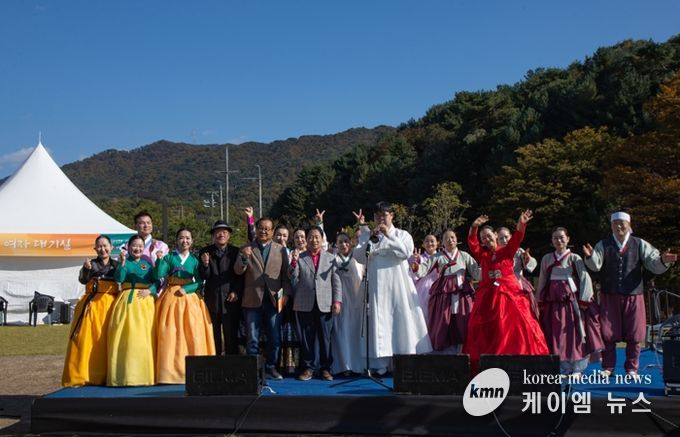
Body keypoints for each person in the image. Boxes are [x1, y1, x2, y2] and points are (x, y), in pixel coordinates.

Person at [583, 211, 677, 376]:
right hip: (609, 294)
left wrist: (663, 260)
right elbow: (596, 265)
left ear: (629, 225)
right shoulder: (603, 244)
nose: (619, 226)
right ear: (611, 226)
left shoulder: (639, 244)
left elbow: (653, 262)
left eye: (622, 223)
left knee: (635, 333)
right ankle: (608, 367)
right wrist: (590, 257)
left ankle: (632, 368)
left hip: (634, 294)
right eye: (615, 223)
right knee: (607, 333)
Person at [463, 211, 549, 373]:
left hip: (509, 293)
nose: (486, 239)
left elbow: (517, 238)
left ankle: (518, 361)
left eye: (488, 235)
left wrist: (521, 224)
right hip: (487, 297)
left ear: (495, 235)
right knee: (485, 329)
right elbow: (472, 242)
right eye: (483, 238)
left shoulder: (507, 251)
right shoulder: (483, 254)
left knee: (515, 325)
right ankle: (489, 364)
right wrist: (474, 227)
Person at [353, 202, 432, 374]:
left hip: (398, 286)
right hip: (376, 285)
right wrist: (368, 239)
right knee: (379, 321)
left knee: (400, 320)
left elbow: (405, 253)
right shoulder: (368, 235)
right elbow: (358, 256)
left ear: (392, 216)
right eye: (377, 216)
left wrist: (388, 235)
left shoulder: (402, 234)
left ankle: (403, 360)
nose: (381, 218)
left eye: (384, 215)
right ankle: (380, 364)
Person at [537, 227, 604, 375]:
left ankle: (578, 367)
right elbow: (542, 279)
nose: (558, 240)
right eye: (555, 238)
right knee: (557, 334)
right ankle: (565, 366)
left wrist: (584, 299)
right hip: (553, 303)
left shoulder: (575, 258)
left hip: (571, 304)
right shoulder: (547, 259)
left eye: (561, 237)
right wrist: (540, 299)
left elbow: (585, 278)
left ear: (568, 239)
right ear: (551, 241)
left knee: (574, 334)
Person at [155, 228, 215, 384]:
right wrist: (159, 261)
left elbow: (199, 282)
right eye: (181, 238)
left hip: (190, 298)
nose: (185, 241)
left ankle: (194, 370)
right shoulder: (169, 257)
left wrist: (187, 289)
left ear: (192, 241)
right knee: (169, 332)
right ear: (176, 240)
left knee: (193, 331)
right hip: (171, 296)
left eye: (188, 238)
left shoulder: (195, 260)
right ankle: (169, 372)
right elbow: (159, 274)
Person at [235, 217, 292, 380]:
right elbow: (238, 270)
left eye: (267, 228)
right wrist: (244, 258)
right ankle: (253, 370)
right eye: (260, 228)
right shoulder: (246, 248)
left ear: (272, 231)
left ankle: (271, 367)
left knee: (274, 337)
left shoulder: (281, 250)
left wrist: (286, 294)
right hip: (252, 300)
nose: (264, 231)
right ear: (256, 229)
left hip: (274, 300)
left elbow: (285, 276)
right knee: (252, 338)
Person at [62, 235, 119, 387]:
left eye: (105, 245)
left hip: (111, 305)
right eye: (99, 246)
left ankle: (108, 375)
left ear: (111, 247)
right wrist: (86, 270)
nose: (102, 249)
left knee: (107, 340)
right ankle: (83, 374)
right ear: (95, 249)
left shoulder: (117, 264)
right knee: (85, 339)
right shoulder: (91, 264)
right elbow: (82, 280)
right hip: (92, 305)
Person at [413, 230, 480, 353]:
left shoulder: (464, 255)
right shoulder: (437, 257)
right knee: (444, 319)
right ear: (442, 242)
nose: (450, 240)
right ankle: (444, 349)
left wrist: (488, 269)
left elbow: (476, 272)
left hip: (462, 292)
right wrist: (416, 266)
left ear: (457, 240)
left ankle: (464, 348)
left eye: (452, 237)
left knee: (463, 318)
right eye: (447, 238)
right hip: (444, 294)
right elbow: (423, 269)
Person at [288, 226, 341, 381]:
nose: (314, 240)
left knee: (325, 338)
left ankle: (326, 369)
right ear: (306, 239)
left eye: (317, 237)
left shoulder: (330, 258)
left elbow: (336, 281)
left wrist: (337, 301)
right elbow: (292, 277)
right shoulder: (300, 257)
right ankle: (308, 368)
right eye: (310, 237)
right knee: (307, 338)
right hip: (304, 303)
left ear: (322, 239)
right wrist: (293, 263)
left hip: (325, 303)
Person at [107, 234, 159, 386]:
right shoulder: (124, 262)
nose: (137, 249)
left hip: (145, 304)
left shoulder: (147, 264)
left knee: (145, 338)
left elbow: (157, 281)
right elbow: (119, 278)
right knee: (126, 337)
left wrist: (150, 290)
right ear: (128, 247)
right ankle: (124, 375)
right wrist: (122, 264)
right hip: (127, 302)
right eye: (134, 246)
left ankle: (144, 375)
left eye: (140, 246)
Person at [199, 220, 243, 355]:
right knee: (213, 333)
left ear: (229, 235)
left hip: (230, 299)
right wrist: (205, 264)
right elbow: (204, 276)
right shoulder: (205, 252)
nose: (221, 235)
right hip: (212, 299)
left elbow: (240, 275)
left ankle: (232, 361)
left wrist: (236, 291)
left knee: (231, 333)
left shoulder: (236, 252)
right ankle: (214, 360)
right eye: (218, 232)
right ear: (213, 235)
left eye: (224, 232)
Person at [331, 232, 365, 375]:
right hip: (340, 301)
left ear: (350, 243)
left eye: (346, 241)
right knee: (341, 332)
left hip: (356, 301)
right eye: (340, 242)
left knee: (355, 333)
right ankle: (344, 366)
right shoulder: (333, 259)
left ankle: (359, 366)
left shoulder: (358, 258)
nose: (343, 244)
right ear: (336, 244)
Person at [497, 226, 539, 318]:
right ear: (497, 240)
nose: (504, 240)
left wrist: (527, 259)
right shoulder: (495, 254)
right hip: (501, 286)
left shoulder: (519, 251)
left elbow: (531, 263)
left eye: (506, 237)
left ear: (511, 237)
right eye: (501, 238)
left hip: (518, 283)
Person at [408, 234, 439, 323]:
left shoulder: (441, 257)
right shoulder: (419, 258)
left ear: (437, 243)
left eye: (432, 241)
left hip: (438, 286)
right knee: (422, 313)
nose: (429, 243)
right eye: (427, 241)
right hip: (423, 288)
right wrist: (415, 262)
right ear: (423, 244)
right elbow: (413, 274)